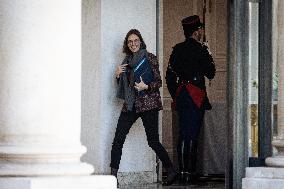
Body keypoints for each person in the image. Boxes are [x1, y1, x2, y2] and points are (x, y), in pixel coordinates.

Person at [110, 29, 178, 186]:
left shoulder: (150, 58)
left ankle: (171, 170)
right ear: (127, 45)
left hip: (148, 104)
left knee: (153, 141)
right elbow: (123, 86)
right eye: (130, 41)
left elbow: (158, 82)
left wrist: (146, 86)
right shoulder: (125, 62)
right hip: (131, 103)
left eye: (136, 41)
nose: (133, 44)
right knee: (118, 139)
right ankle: (113, 178)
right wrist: (118, 75)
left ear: (140, 42)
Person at [166, 15, 216, 184]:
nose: (202, 32)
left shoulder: (177, 49)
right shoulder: (201, 50)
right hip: (196, 97)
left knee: (183, 134)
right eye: (200, 29)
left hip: (182, 96)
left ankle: (183, 173)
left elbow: (169, 77)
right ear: (196, 31)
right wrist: (208, 53)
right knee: (192, 135)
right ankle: (190, 174)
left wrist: (177, 94)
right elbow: (211, 73)